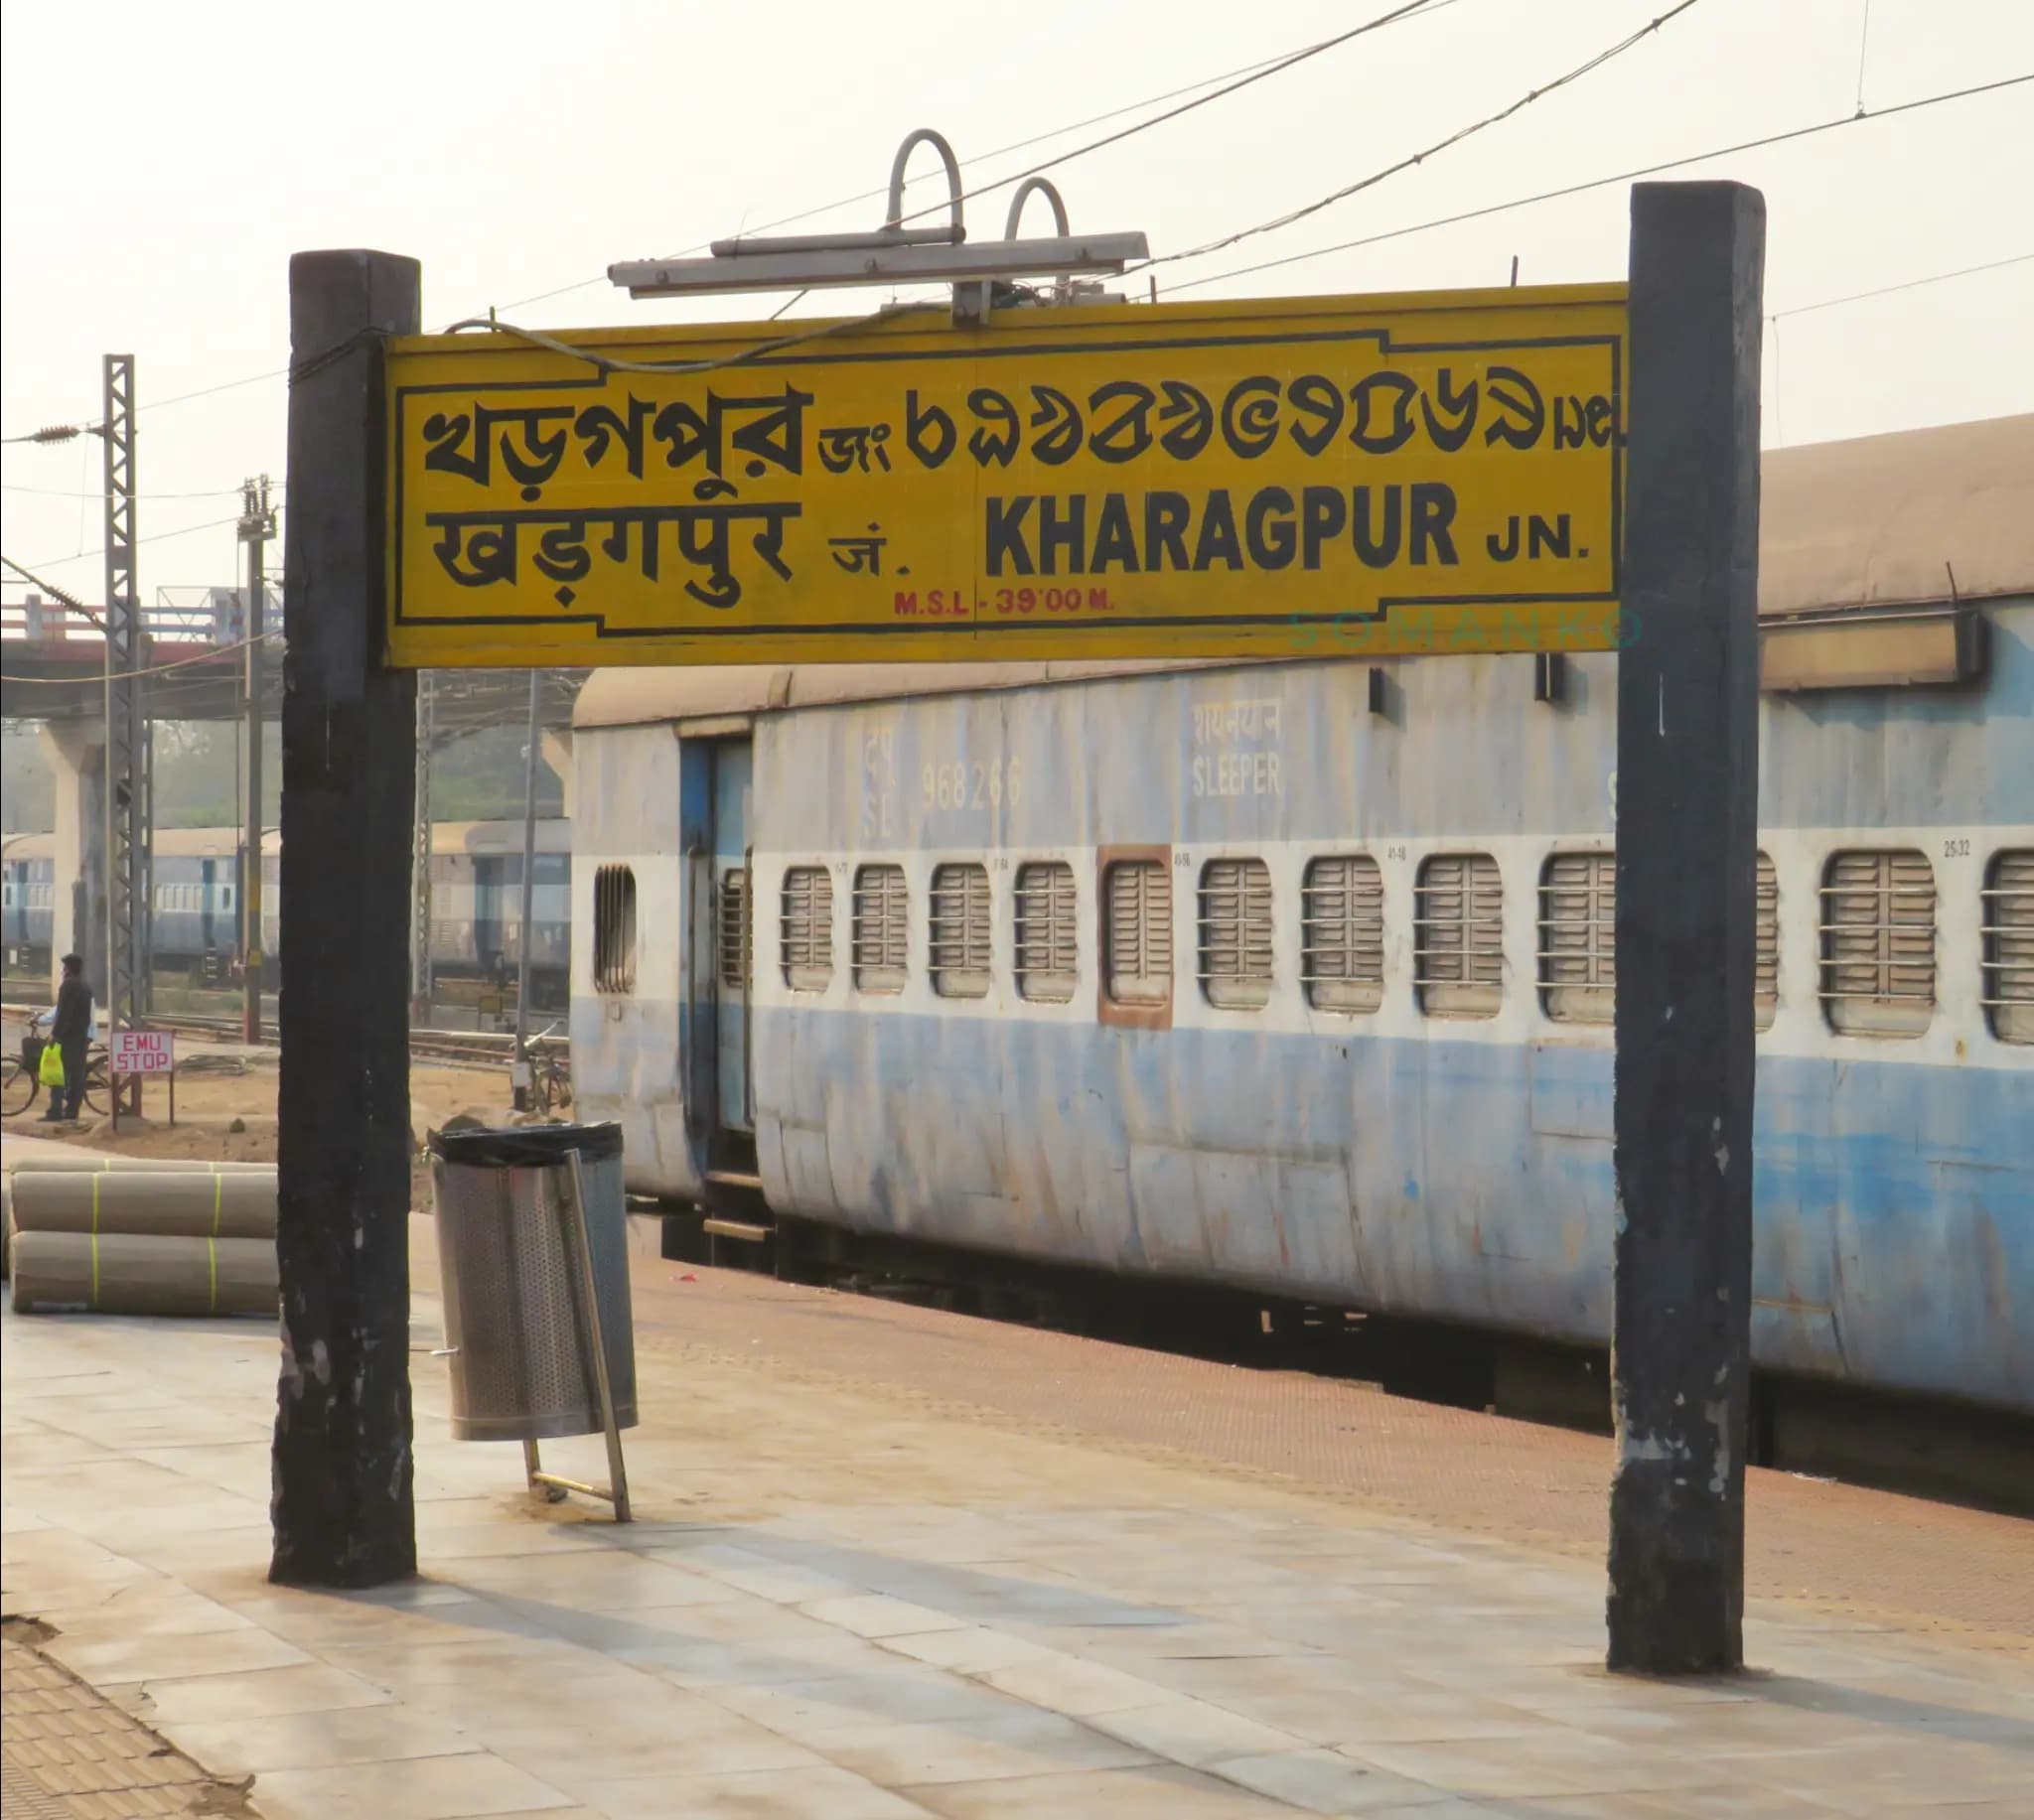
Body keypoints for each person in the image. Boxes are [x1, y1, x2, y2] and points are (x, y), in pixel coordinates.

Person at [41, 953, 92, 1122]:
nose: (63, 971)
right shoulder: (86, 987)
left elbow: (63, 1014)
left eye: (64, 968)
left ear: (68, 969)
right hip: (81, 1037)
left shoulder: (68, 986)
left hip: (68, 1038)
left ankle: (54, 1112)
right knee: (77, 1076)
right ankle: (72, 1111)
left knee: (58, 1074)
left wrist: (55, 1034)